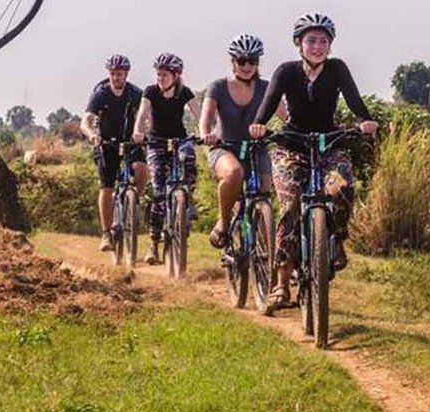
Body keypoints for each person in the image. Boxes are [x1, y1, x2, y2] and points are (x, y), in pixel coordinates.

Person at [249, 13, 378, 314]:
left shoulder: (337, 69)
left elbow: (355, 100)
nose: (317, 46)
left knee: (343, 188)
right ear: (299, 44)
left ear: (330, 45)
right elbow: (267, 104)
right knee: (291, 205)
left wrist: (365, 120)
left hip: (329, 143)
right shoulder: (286, 71)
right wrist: (257, 124)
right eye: (311, 41)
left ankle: (336, 239)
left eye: (323, 41)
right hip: (291, 146)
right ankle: (281, 283)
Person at [198, 34, 285, 255]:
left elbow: (288, 116)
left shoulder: (267, 87)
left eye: (252, 61)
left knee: (264, 194)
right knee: (234, 173)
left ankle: (267, 258)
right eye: (242, 61)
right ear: (233, 61)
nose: (247, 66)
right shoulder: (217, 87)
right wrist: (206, 134)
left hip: (257, 148)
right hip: (224, 146)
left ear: (258, 63)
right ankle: (224, 222)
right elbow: (205, 118)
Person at [132, 53, 200, 260]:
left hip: (180, 139)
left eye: (164, 75)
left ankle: (188, 200)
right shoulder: (151, 91)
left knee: (189, 157)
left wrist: (206, 131)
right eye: (158, 74)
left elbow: (199, 113)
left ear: (176, 76)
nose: (160, 78)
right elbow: (143, 113)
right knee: (159, 194)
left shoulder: (184, 92)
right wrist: (138, 131)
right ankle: (153, 245)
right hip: (156, 141)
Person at [82, 55, 148, 252]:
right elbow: (85, 121)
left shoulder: (135, 93)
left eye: (119, 74)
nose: (115, 77)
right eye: (112, 74)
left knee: (142, 170)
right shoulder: (100, 94)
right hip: (106, 143)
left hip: (130, 142)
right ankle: (106, 233)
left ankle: (134, 201)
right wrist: (92, 135)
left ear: (126, 74)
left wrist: (144, 133)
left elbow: (148, 116)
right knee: (107, 187)